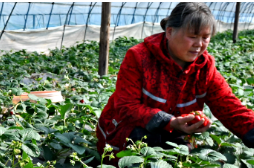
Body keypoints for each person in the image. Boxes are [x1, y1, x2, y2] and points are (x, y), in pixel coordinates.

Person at [96, 2, 254, 154]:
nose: (199, 44)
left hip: (173, 132)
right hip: (123, 135)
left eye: (205, 37)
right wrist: (168, 121)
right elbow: (126, 106)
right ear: (170, 32)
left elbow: (229, 107)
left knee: (181, 158)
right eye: (192, 36)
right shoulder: (139, 57)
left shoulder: (204, 68)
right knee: (141, 143)